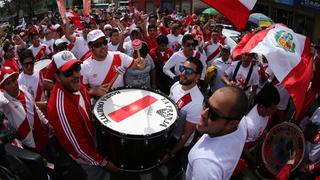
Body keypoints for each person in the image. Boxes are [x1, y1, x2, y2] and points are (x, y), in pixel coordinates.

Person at [47, 51, 118, 179]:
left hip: (92, 141)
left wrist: (94, 91)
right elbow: (79, 148)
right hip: (86, 159)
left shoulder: (75, 85)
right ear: (57, 77)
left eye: (77, 68)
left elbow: (84, 100)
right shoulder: (62, 108)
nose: (75, 75)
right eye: (68, 72)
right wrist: (104, 163)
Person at [186, 86, 249, 180]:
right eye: (206, 104)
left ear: (232, 124)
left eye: (214, 114)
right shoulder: (242, 123)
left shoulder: (206, 166)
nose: (203, 114)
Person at [160, 57, 204, 180]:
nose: (183, 73)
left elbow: (186, 135)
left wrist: (170, 154)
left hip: (178, 144)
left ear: (197, 77)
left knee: (173, 171)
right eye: (182, 68)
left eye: (189, 71)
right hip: (169, 133)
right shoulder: (176, 85)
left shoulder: (196, 103)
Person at [81, 29, 145, 98]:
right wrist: (94, 91)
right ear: (90, 47)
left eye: (105, 42)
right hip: (99, 105)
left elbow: (138, 65)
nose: (103, 46)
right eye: (97, 45)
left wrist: (141, 62)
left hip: (121, 101)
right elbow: (82, 89)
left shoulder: (119, 56)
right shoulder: (84, 66)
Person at [0, 66, 49, 153]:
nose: (13, 85)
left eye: (14, 80)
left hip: (42, 135)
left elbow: (35, 108)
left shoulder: (23, 89)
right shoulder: (6, 102)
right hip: (30, 146)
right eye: (8, 83)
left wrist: (45, 122)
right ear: (3, 87)